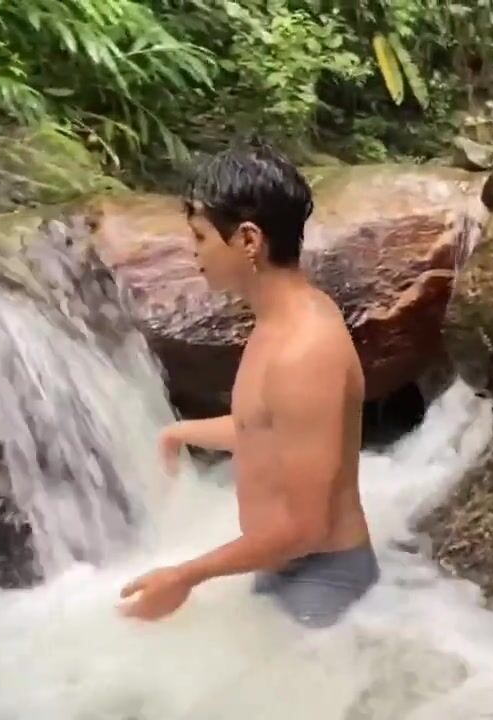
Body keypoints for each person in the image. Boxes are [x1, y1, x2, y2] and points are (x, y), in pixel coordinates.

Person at [116, 142, 377, 629]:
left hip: (324, 581)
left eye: (200, 237)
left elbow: (307, 527)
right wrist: (178, 433)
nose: (193, 252)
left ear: (248, 240)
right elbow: (263, 428)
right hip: (283, 567)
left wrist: (186, 576)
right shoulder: (279, 322)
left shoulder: (305, 349)